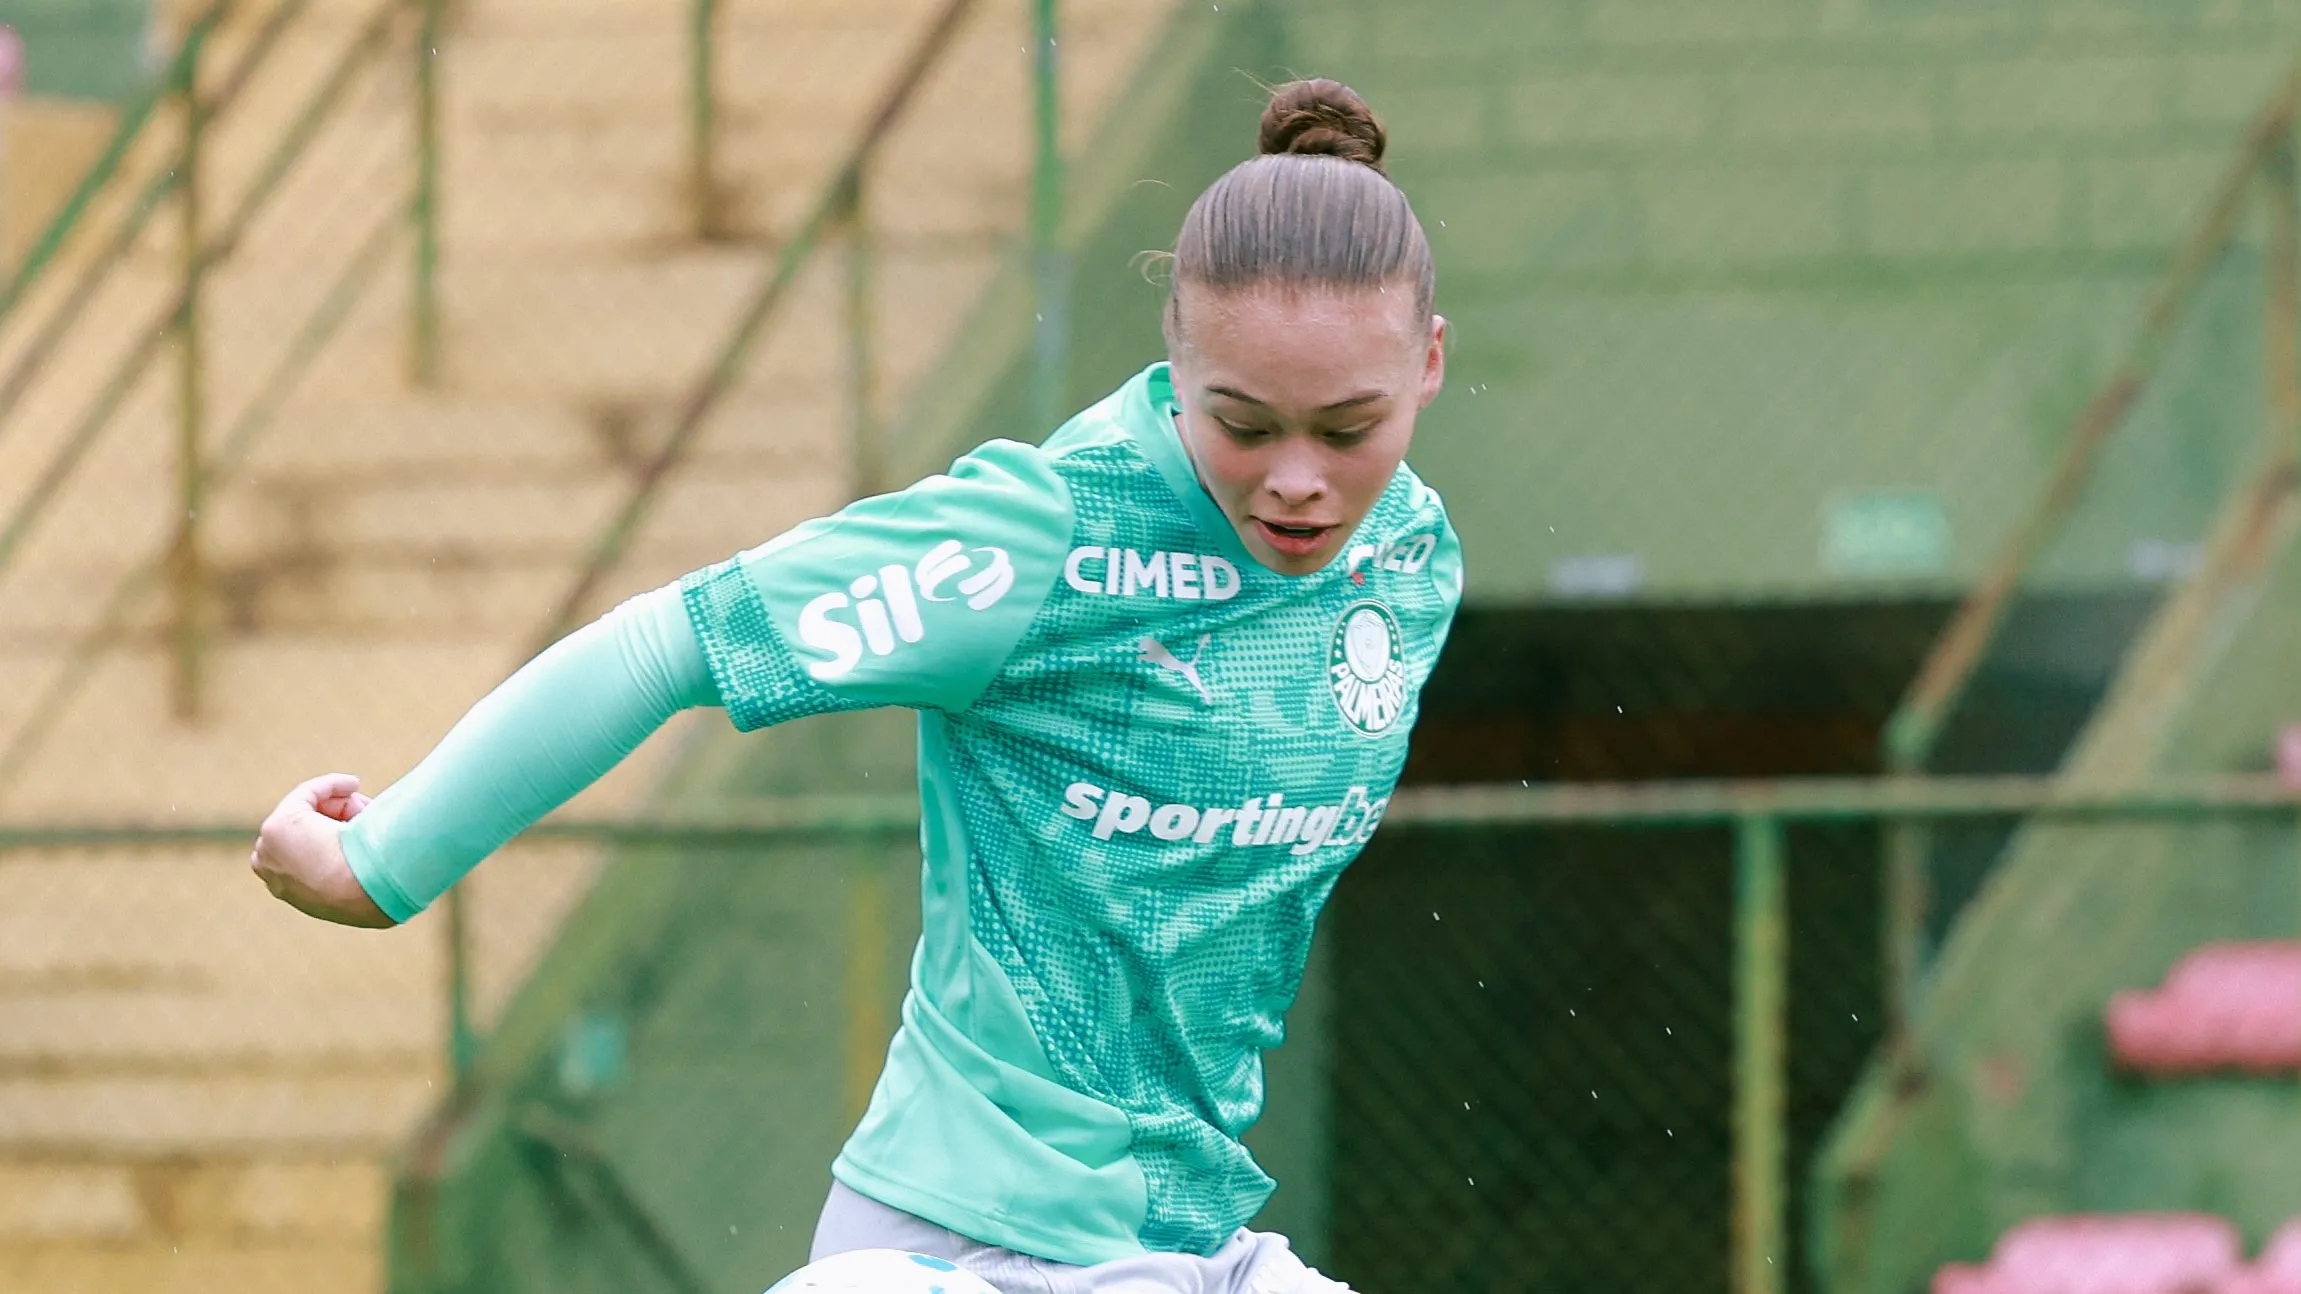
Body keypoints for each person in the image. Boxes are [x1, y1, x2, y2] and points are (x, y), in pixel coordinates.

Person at [251, 78, 1461, 1294]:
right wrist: (383, 861)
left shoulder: (1411, 561)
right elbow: (668, 643)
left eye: (1344, 430)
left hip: (1193, 1247)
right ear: (1177, 366)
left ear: (1429, 366)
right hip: (960, 1248)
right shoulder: (1041, 538)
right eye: (1243, 424)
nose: (1296, 478)